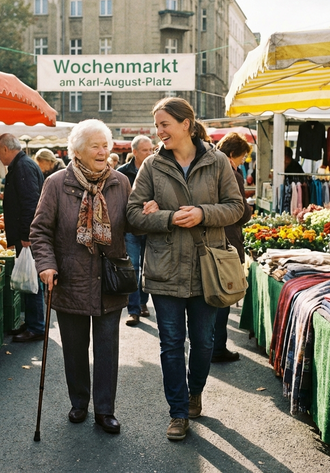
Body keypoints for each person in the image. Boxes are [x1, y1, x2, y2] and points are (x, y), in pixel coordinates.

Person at [127, 97, 244, 441]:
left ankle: (195, 391)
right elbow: (134, 215)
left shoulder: (218, 161)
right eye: (157, 124)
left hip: (208, 267)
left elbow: (236, 207)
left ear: (185, 125)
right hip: (165, 268)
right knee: (171, 344)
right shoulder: (150, 166)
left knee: (205, 342)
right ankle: (178, 412)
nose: (159, 131)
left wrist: (204, 214)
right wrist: (168, 218)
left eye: (164, 124)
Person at [30, 119, 131, 434]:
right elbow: (40, 230)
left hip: (109, 281)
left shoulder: (119, 183)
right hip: (70, 279)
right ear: (77, 150)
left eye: (105, 145)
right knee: (74, 348)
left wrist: (148, 213)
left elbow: (133, 224)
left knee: (107, 347)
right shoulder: (57, 183)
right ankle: (79, 403)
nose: (102, 152)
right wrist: (46, 264)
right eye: (95, 146)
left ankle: (105, 410)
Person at [0, 133, 45, 343]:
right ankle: (33, 323)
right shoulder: (22, 165)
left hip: (28, 236)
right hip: (27, 234)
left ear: (6, 149)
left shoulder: (23, 167)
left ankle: (36, 327)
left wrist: (26, 234)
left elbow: (30, 202)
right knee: (29, 277)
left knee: (31, 278)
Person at [212, 133, 253, 363]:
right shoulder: (232, 174)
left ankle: (209, 346)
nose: (243, 161)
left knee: (210, 295)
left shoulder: (210, 168)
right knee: (224, 296)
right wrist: (249, 211)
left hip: (210, 238)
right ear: (232, 154)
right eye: (242, 156)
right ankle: (217, 348)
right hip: (227, 240)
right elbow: (239, 211)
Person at [117, 135, 154, 326]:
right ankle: (133, 310)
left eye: (151, 149)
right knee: (133, 268)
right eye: (145, 150)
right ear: (135, 152)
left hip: (151, 226)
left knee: (147, 267)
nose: (149, 153)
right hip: (131, 227)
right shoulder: (122, 173)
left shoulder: (155, 170)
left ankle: (142, 302)